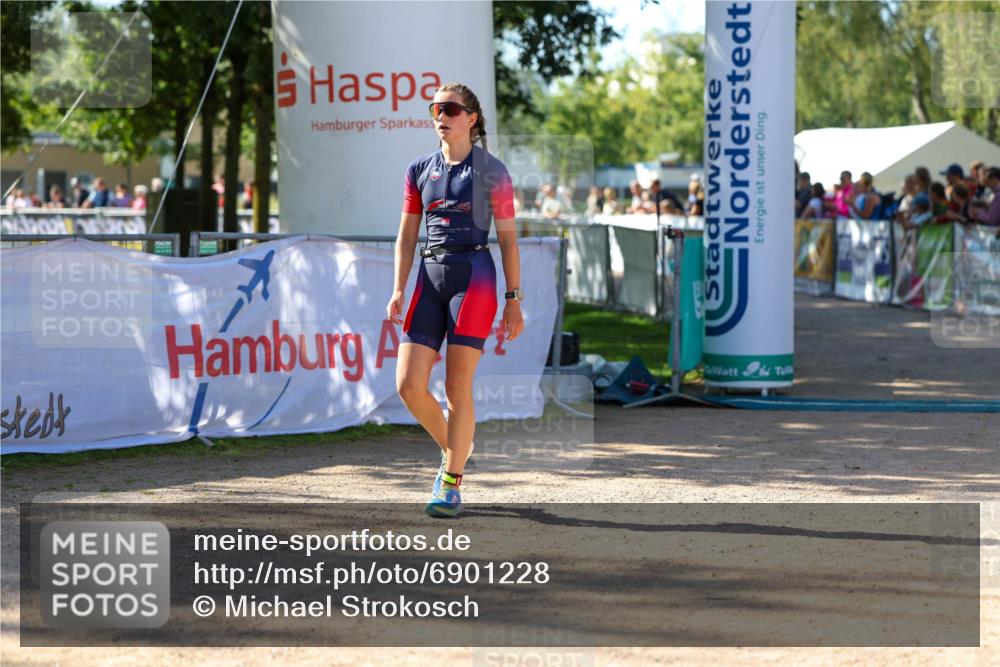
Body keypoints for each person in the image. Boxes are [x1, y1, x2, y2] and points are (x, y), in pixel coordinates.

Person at [387, 82, 523, 518]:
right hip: (430, 274)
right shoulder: (417, 169)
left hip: (475, 277)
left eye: (450, 108)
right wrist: (398, 287)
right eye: (435, 108)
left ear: (472, 119)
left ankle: (450, 481)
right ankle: (456, 447)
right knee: (408, 385)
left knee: (455, 388)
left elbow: (509, 241)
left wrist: (513, 299)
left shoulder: (493, 171)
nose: (440, 116)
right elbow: (407, 234)